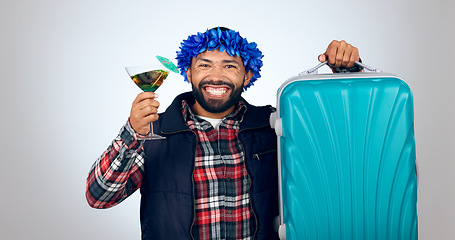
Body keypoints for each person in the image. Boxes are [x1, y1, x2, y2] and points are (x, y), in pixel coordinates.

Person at [86, 27, 361, 240]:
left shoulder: (274, 125)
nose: (216, 76)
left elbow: (336, 141)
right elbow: (99, 197)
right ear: (188, 73)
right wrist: (132, 133)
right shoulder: (152, 133)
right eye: (204, 65)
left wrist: (344, 71)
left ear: (248, 75)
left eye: (230, 66)